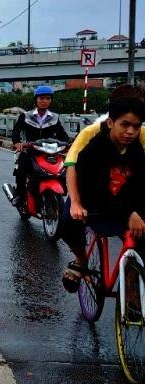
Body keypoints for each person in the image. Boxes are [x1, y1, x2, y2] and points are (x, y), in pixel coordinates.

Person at [59, 95, 145, 292]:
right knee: (69, 223)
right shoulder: (92, 145)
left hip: (124, 202)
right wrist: (76, 203)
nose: (131, 131)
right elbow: (86, 182)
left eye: (136, 126)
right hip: (93, 200)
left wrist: (137, 211)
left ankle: (133, 288)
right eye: (125, 125)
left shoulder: (138, 145)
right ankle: (81, 259)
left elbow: (140, 182)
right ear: (110, 122)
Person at [10, 85, 70, 206]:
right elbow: (16, 131)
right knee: (22, 170)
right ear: (36, 100)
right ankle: (20, 196)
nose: (45, 101)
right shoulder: (26, 116)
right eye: (42, 98)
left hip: (50, 152)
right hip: (30, 151)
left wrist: (67, 144)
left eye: (48, 98)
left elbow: (62, 135)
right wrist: (17, 143)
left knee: (64, 169)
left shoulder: (54, 117)